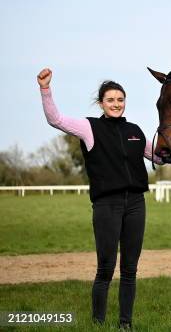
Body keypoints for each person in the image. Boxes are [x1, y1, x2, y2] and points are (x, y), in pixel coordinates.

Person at [37, 68, 162, 329]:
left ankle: (125, 324)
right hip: (107, 205)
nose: (116, 104)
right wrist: (45, 89)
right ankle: (98, 323)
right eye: (110, 100)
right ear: (101, 103)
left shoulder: (135, 130)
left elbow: (159, 156)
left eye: (120, 100)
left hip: (136, 204)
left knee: (130, 270)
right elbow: (55, 119)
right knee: (106, 268)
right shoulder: (89, 128)